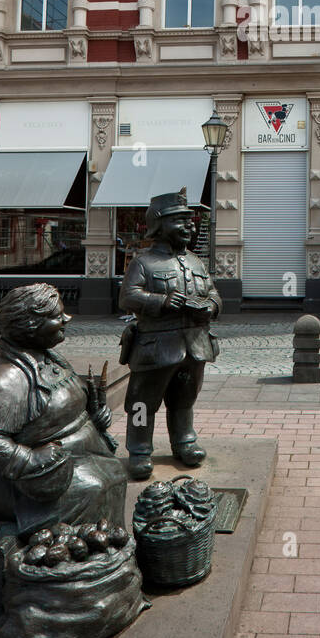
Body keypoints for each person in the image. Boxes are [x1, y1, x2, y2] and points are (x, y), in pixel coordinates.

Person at [0, 283, 126, 538]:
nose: (66, 318)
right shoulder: (7, 379)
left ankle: (106, 545)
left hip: (78, 459)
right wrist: (28, 460)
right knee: (94, 487)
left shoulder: (49, 358)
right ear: (29, 325)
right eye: (55, 316)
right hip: (26, 483)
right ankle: (71, 552)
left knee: (114, 473)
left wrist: (94, 419)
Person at [119, 189, 221, 480]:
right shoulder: (143, 263)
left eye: (190, 221)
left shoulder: (196, 262)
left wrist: (210, 307)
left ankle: (184, 442)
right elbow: (127, 297)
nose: (189, 227)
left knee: (184, 399)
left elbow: (214, 293)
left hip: (194, 345)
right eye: (180, 221)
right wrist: (159, 302)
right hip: (156, 345)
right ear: (159, 226)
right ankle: (139, 450)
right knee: (142, 402)